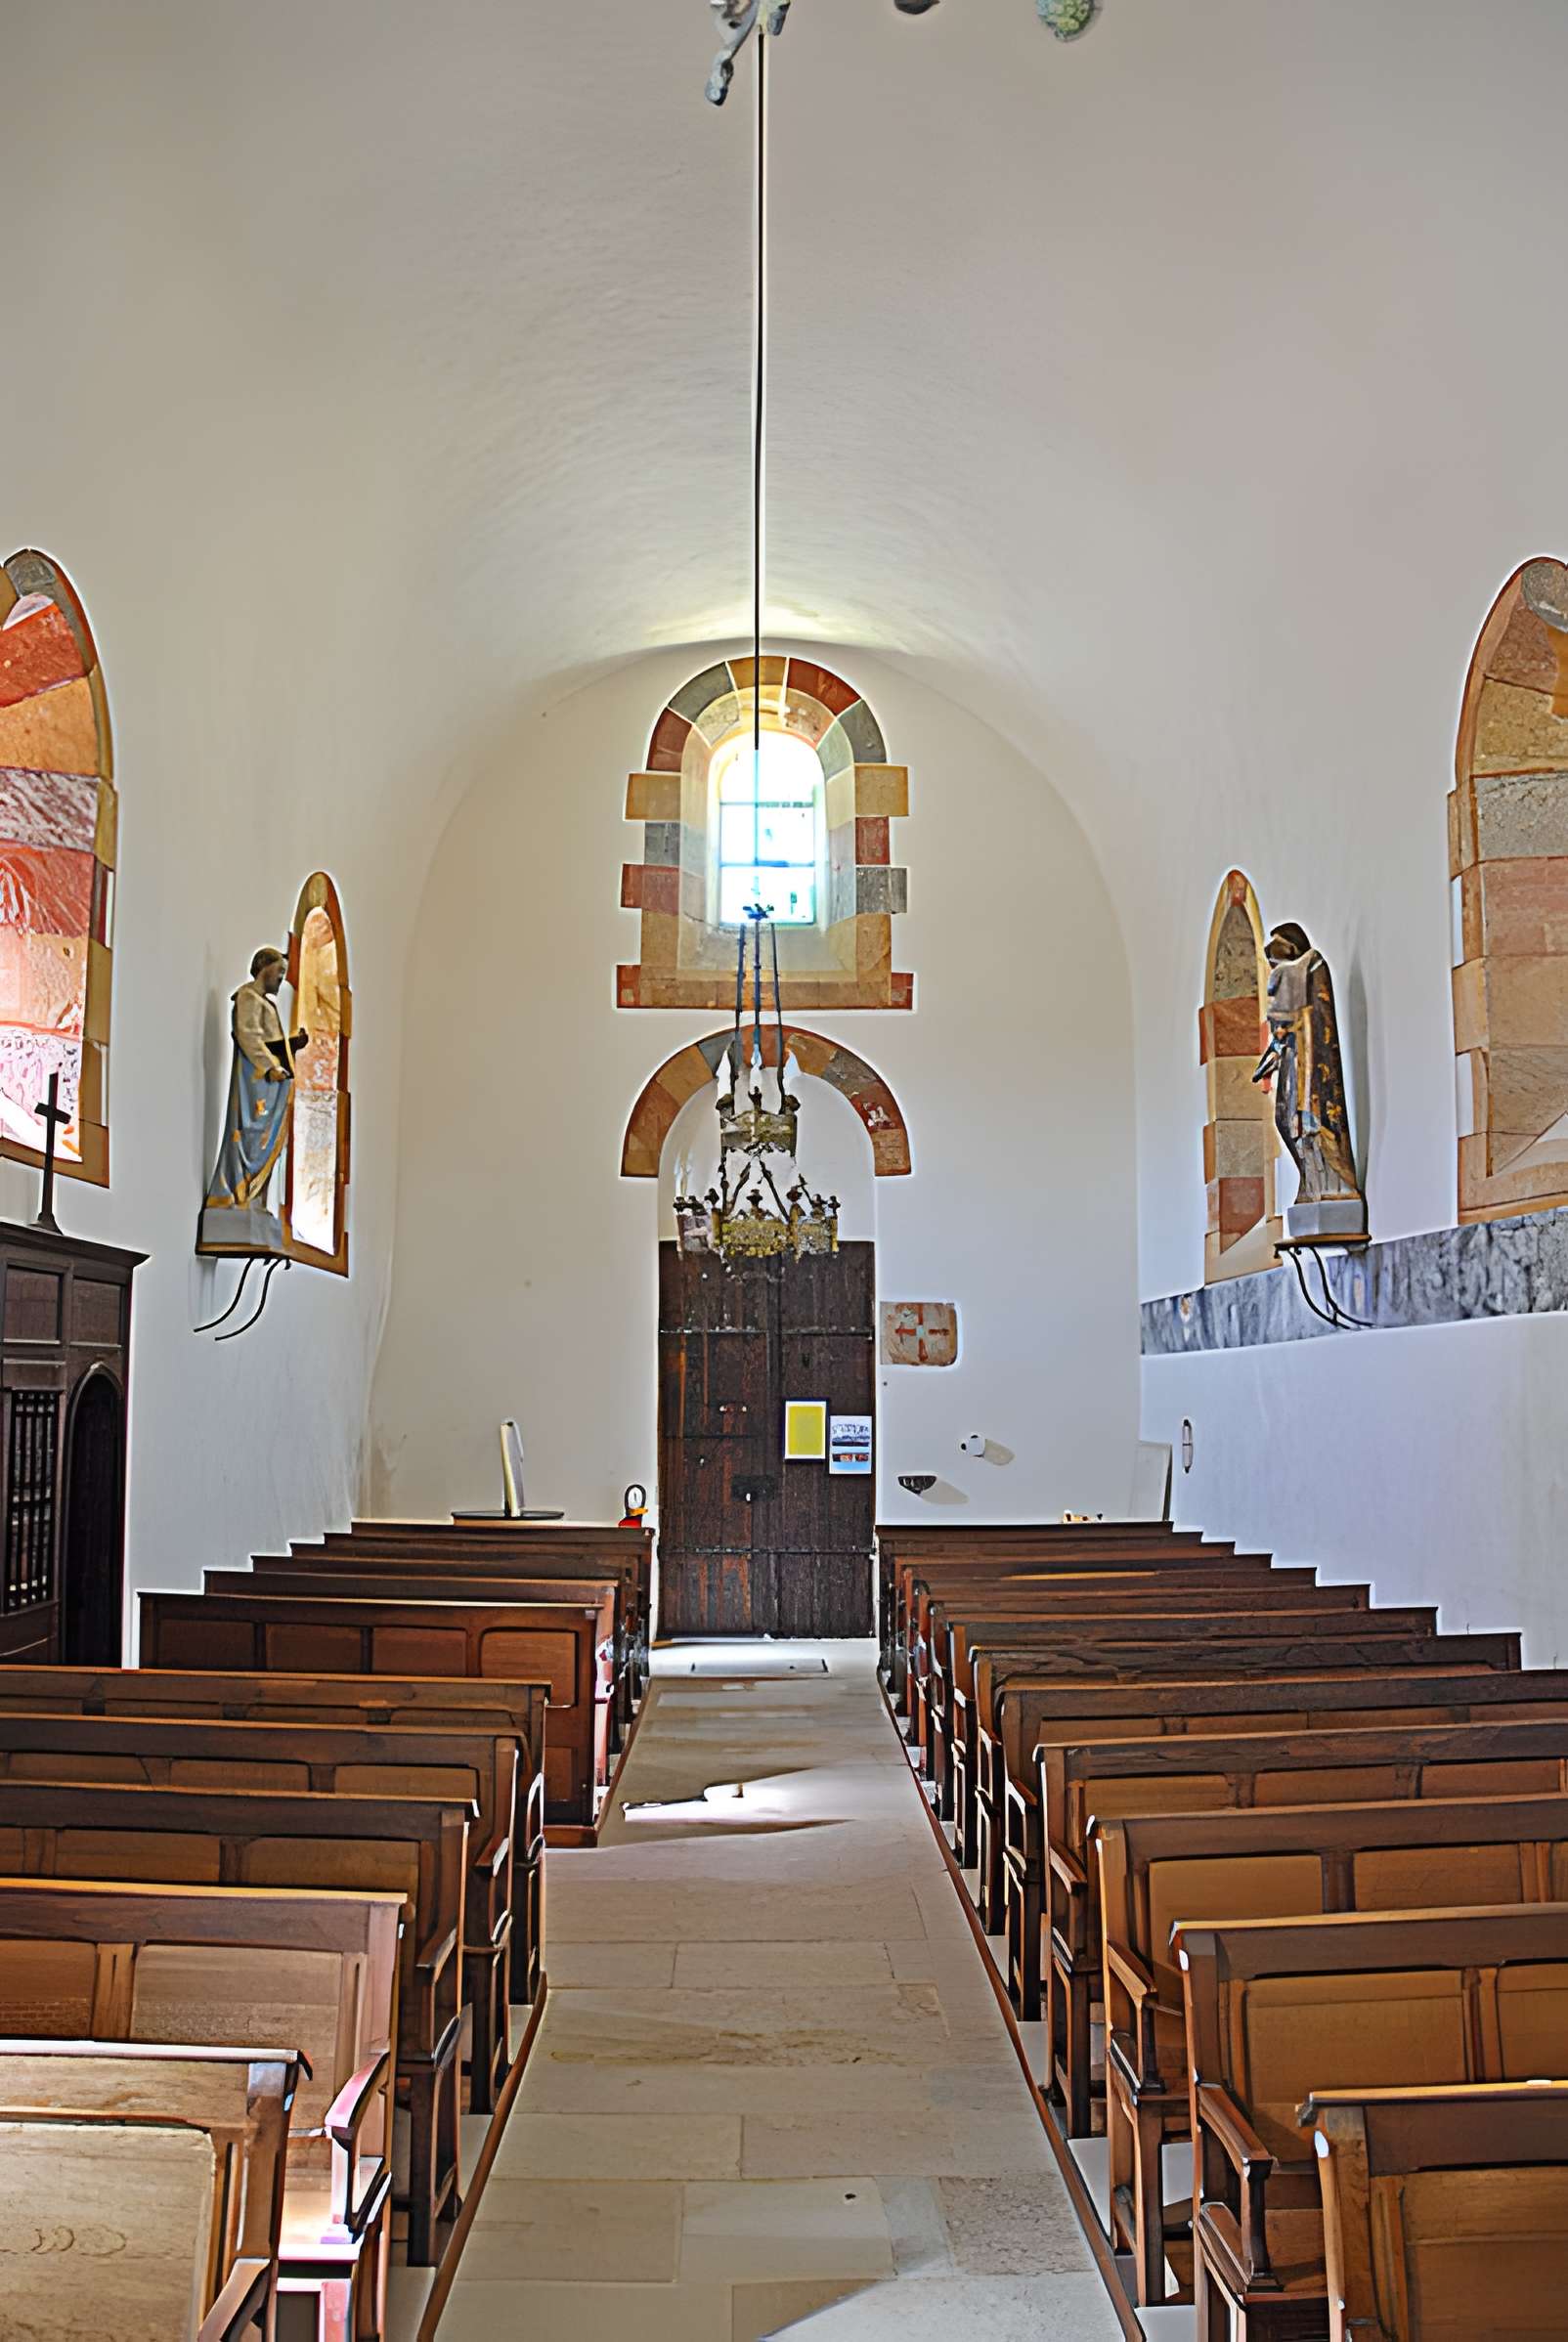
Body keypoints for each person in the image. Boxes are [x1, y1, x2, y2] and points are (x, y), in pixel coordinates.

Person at [1252, 922, 1367, 1238]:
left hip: (1310, 1063)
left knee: (1311, 1121)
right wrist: (1276, 1048)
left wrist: (1285, 1033)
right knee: (1285, 1120)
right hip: (1292, 1059)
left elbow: (1298, 1018)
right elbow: (1280, 1025)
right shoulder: (1291, 973)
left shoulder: (1308, 966)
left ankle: (1332, 1187)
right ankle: (1311, 1184)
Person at [197, 947, 308, 1253]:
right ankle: (234, 1196)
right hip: (255, 1083)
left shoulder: (268, 1006)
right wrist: (271, 1066)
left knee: (269, 1144)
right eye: (279, 971)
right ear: (263, 968)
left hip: (274, 1085)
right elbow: (247, 1035)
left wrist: (291, 1048)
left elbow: (271, 1041)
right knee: (249, 1136)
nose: (282, 979)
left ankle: (256, 1201)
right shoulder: (247, 997)